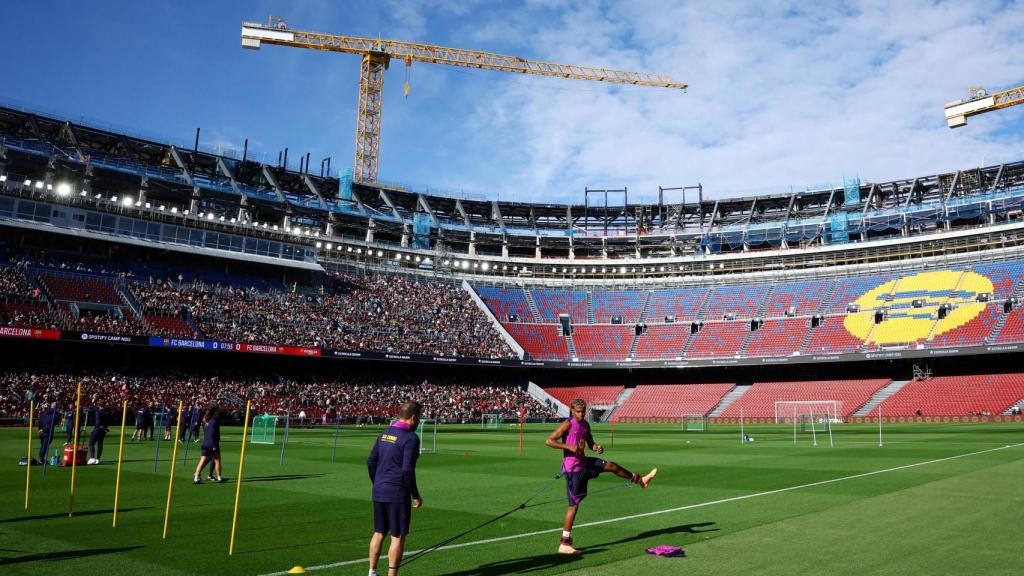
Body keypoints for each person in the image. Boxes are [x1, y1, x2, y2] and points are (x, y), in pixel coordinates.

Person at [545, 398, 656, 555]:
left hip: (584, 462)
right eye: (578, 412)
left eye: (583, 411)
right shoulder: (567, 424)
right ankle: (564, 543)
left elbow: (589, 441)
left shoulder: (585, 424)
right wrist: (567, 446)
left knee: (610, 465)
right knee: (573, 506)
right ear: (572, 410)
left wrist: (595, 446)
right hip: (573, 469)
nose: (582, 414)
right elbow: (549, 440)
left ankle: (640, 480)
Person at [366, 401, 423, 576]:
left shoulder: (385, 433)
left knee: (379, 532)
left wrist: (378, 482)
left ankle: (372, 572)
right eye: (419, 418)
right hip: (397, 492)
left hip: (379, 490)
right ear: (413, 417)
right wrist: (415, 495)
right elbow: (407, 469)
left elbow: (370, 461)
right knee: (397, 536)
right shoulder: (411, 438)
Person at [193, 405, 224, 484]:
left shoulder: (206, 420)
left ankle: (196, 477)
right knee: (217, 461)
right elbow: (212, 433)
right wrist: (214, 445)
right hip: (212, 443)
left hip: (205, 443)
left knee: (202, 461)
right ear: (214, 412)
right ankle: (219, 477)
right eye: (218, 411)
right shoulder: (214, 421)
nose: (219, 412)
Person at [87, 398, 109, 465]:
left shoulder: (98, 411)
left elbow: (97, 423)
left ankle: (92, 458)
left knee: (91, 442)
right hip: (103, 430)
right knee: (100, 444)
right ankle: (98, 459)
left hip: (98, 429)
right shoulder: (107, 411)